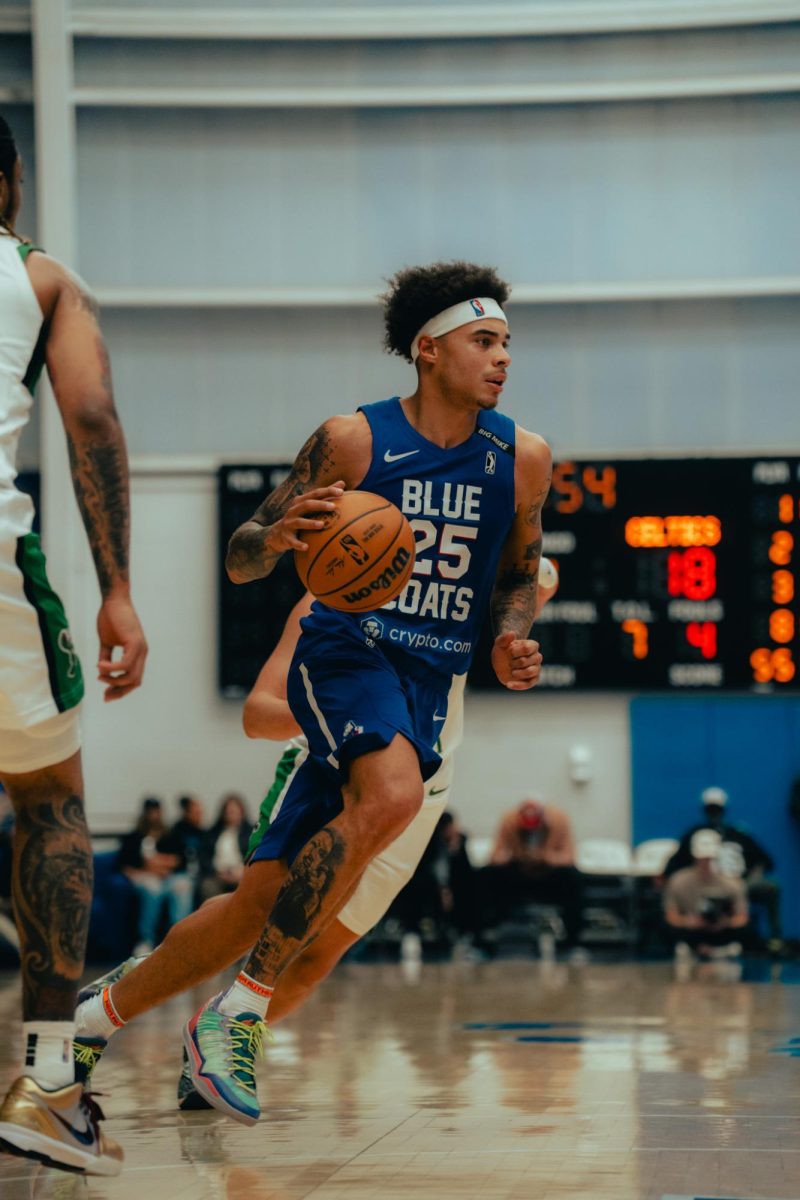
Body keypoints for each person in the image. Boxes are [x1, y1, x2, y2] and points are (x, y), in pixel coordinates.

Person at [76, 261, 552, 1125]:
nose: (503, 358)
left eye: (507, 343)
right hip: (347, 650)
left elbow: (518, 576)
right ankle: (240, 1013)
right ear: (428, 348)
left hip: (431, 680)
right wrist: (274, 538)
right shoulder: (354, 441)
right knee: (395, 794)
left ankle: (91, 1017)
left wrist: (513, 635)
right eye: (484, 341)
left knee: (258, 902)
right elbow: (244, 551)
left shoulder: (523, 459)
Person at [77, 556, 560, 1113]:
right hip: (333, 760)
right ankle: (99, 1013)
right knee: (254, 915)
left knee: (315, 959)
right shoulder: (327, 597)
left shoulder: (450, 591)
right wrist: (347, 710)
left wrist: (517, 630)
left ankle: (212, 1035)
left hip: (423, 789)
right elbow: (257, 714)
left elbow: (535, 583)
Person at [0, 115, 147, 1174]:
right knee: (47, 799)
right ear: (5, 179)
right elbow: (89, 418)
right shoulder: (38, 277)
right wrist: (119, 592)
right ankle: (50, 1083)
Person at [664, 786, 782, 950]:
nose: (714, 813)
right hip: (700, 885)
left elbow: (765, 860)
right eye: (711, 809)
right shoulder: (695, 834)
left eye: (717, 809)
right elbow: (674, 864)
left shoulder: (738, 833)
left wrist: (747, 879)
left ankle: (774, 939)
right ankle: (698, 942)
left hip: (734, 884)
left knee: (767, 889)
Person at [481, 799, 584, 953]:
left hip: (549, 875)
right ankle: (486, 932)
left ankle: (573, 938)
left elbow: (570, 857)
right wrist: (515, 856)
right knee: (487, 874)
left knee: (573, 876)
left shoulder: (559, 820)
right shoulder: (509, 821)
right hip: (519, 874)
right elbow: (495, 856)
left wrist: (545, 857)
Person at [117, 797, 195, 955]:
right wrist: (149, 868)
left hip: (170, 878)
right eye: (151, 812)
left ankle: (178, 939)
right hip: (145, 878)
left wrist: (158, 864)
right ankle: (145, 940)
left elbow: (181, 860)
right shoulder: (134, 837)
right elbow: (125, 864)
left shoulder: (171, 835)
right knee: (151, 888)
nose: (154, 816)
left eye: (157, 812)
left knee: (183, 886)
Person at [663, 828, 749, 967]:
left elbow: (742, 917)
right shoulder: (678, 881)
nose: (706, 864)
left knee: (745, 929)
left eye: (710, 859)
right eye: (702, 860)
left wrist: (725, 923)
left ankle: (718, 947)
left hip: (722, 929)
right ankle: (695, 947)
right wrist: (688, 922)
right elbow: (670, 916)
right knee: (667, 926)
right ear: (694, 858)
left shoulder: (733, 884)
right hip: (692, 929)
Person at [198, 793, 252, 902]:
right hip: (216, 875)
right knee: (208, 888)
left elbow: (254, 855)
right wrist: (216, 872)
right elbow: (204, 858)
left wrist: (243, 871)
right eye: (229, 812)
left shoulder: (251, 833)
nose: (231, 815)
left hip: (242, 874)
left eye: (234, 812)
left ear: (242, 812)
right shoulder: (212, 833)